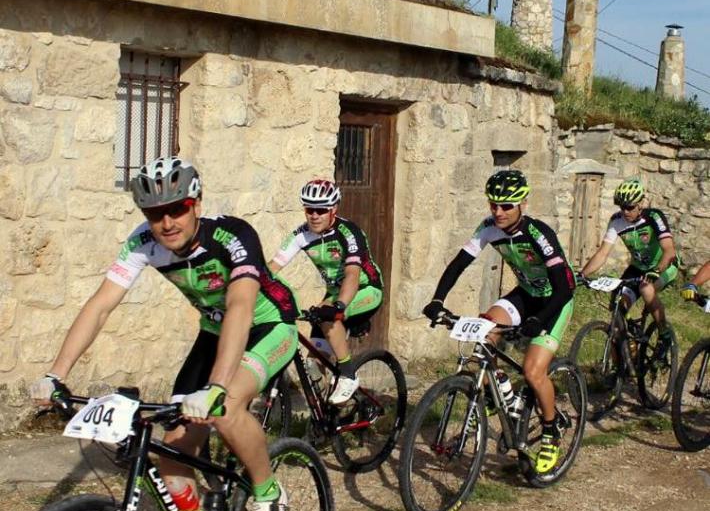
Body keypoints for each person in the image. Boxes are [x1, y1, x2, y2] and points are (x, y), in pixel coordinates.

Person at [29, 156, 299, 511]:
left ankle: (267, 493)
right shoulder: (143, 244)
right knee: (171, 454)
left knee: (225, 405)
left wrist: (216, 387)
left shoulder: (232, 237)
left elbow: (239, 306)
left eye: (177, 208)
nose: (167, 222)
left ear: (195, 203)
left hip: (268, 326)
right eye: (156, 213)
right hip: (213, 333)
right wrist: (56, 374)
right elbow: (100, 306)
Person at [422, 169, 576, 476]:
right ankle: (500, 389)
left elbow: (564, 288)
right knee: (484, 330)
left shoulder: (539, 234)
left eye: (506, 206)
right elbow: (458, 265)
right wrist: (438, 300)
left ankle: (551, 428)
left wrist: (538, 321)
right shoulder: (489, 228)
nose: (498, 211)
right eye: (493, 204)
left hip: (556, 300)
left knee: (533, 370)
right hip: (526, 294)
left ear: (522, 204)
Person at [269, 179, 384, 405]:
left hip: (365, 288)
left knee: (327, 315)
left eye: (321, 210)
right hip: (334, 293)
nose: (314, 215)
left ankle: (348, 374)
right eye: (309, 209)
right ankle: (330, 415)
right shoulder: (301, 235)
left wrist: (339, 306)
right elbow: (272, 267)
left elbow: (352, 273)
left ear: (333, 210)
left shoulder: (349, 232)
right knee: (314, 364)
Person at [579, 177, 679, 354]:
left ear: (641, 203)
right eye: (622, 206)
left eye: (630, 207)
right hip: (638, 267)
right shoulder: (616, 221)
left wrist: (657, 271)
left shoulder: (654, 217)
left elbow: (669, 250)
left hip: (664, 265)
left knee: (646, 289)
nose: (625, 211)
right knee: (617, 306)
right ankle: (623, 359)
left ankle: (664, 336)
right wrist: (582, 274)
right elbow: (602, 253)